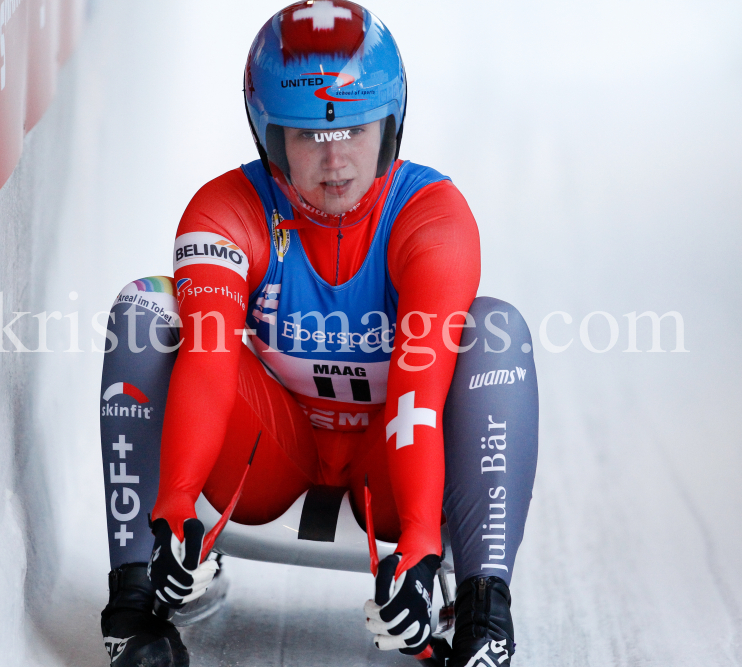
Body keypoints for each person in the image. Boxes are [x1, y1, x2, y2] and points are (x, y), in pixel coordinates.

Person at [97, 2, 539, 666]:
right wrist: (177, 498)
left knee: (494, 329)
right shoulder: (223, 211)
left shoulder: (434, 217)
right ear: (268, 136)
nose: (334, 161)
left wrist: (419, 542)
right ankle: (135, 598)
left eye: (355, 128)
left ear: (390, 124)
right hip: (274, 454)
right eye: (308, 135)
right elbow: (210, 359)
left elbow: (419, 386)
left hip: (388, 469)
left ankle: (483, 608)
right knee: (145, 309)